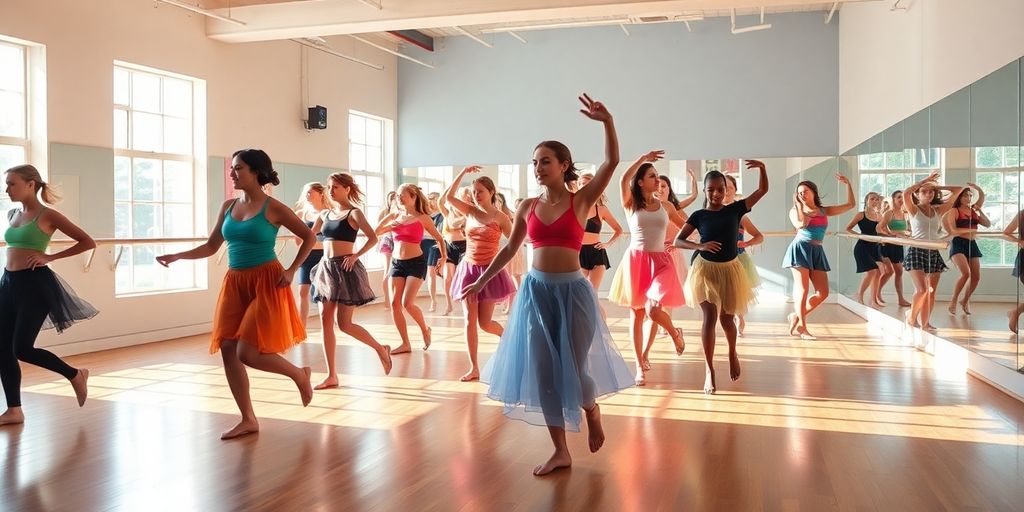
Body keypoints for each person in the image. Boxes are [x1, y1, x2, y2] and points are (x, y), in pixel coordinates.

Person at [461, 94, 632, 476]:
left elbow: (612, 163)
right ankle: (560, 450)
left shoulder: (582, 200)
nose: (538, 168)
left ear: (564, 165)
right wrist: (481, 282)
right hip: (536, 293)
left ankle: (592, 409)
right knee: (543, 371)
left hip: (573, 292)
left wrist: (607, 121)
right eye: (535, 162)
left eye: (545, 161)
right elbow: (509, 249)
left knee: (572, 367)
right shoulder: (526, 207)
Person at [156, 149, 316, 439]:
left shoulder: (273, 207)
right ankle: (248, 418)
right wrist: (178, 255)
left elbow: (309, 237)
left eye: (238, 168)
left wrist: (292, 269)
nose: (232, 173)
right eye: (232, 168)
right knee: (228, 349)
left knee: (248, 353)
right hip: (235, 283)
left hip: (266, 282)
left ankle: (298, 373)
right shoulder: (228, 206)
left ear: (256, 172)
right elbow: (210, 246)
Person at [0, 164, 96, 427]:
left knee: (21, 348)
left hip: (35, 286)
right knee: (2, 349)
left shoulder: (48, 215)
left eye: (12, 183)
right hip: (8, 283)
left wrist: (50, 256)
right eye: (7, 183)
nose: (7, 188)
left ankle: (75, 374)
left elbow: (87, 242)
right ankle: (14, 410)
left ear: (31, 184)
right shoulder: (12, 214)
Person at [673, 161, 768, 394]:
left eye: (720, 189)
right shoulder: (699, 214)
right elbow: (678, 241)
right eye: (711, 190)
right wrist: (701, 245)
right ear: (705, 191)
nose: (715, 193)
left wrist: (762, 168)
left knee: (727, 320)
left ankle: (732, 352)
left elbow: (762, 191)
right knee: (709, 317)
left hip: (730, 269)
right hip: (705, 270)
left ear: (726, 190)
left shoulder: (735, 209)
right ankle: (709, 369)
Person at [608, 151, 687, 386]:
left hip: (662, 262)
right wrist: (643, 158)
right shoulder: (631, 204)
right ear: (641, 181)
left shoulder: (667, 207)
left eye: (658, 177)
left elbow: (686, 227)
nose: (657, 180)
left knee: (653, 309)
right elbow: (623, 179)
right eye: (652, 176)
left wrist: (676, 243)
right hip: (636, 261)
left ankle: (674, 333)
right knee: (637, 314)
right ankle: (639, 365)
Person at [309, 172, 392, 390]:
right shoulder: (324, 214)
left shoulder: (354, 213)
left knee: (344, 324)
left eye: (335, 187)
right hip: (325, 269)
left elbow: (373, 237)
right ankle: (332, 375)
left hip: (345, 269)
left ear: (347, 189)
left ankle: (380, 348)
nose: (331, 190)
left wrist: (356, 255)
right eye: (329, 187)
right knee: (325, 320)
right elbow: (309, 236)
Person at [444, 167, 516, 381]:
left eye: (480, 191)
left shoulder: (501, 218)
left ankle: (506, 336)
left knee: (485, 324)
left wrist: (508, 267)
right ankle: (473, 367)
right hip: (468, 269)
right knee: (469, 319)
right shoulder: (469, 211)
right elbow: (448, 197)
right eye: (474, 191)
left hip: (490, 271)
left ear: (491, 192)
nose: (476, 195)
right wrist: (463, 173)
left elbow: (514, 243)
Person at [376, 183, 446, 354]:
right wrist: (390, 221)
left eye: (402, 195)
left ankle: (425, 329)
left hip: (416, 262)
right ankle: (405, 343)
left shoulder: (423, 218)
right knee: (394, 303)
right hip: (396, 263)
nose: (399, 198)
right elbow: (376, 231)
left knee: (407, 303)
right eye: (398, 195)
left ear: (413, 197)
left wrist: (443, 258)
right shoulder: (395, 216)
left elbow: (440, 239)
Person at [783, 174, 855, 340]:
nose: (802, 194)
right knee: (803, 289)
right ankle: (802, 327)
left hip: (816, 250)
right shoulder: (795, 211)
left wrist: (848, 184)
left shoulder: (824, 210)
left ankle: (796, 316)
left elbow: (851, 205)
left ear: (813, 192)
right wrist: (800, 206)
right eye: (799, 192)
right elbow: (801, 224)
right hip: (800, 248)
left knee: (823, 292)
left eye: (805, 191)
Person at [902, 173, 962, 331]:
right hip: (916, 251)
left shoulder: (938, 210)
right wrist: (924, 181)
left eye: (931, 192)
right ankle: (911, 318)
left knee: (931, 292)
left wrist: (936, 186)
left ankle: (925, 323)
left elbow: (958, 190)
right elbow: (906, 193)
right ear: (918, 194)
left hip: (933, 252)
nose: (928, 194)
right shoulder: (913, 209)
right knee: (921, 290)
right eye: (924, 192)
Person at [724, 174, 763, 336]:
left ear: (735, 191)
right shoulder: (709, 212)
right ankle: (731, 317)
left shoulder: (740, 215)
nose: (726, 192)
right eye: (723, 187)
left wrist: (746, 243)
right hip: (719, 260)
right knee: (724, 294)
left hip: (738, 259)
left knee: (734, 292)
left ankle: (738, 316)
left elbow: (759, 236)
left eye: (730, 188)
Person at [944, 184, 989, 315]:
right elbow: (954, 230)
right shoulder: (954, 211)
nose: (968, 198)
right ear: (960, 197)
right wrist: (970, 229)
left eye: (970, 195)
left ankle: (964, 301)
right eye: (965, 195)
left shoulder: (974, 211)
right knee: (966, 273)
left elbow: (987, 224)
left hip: (972, 243)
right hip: (958, 243)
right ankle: (953, 300)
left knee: (976, 277)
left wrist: (980, 211)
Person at [578, 172, 624, 293]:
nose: (585, 187)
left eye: (589, 184)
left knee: (592, 293)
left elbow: (619, 230)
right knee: (581, 293)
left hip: (596, 253)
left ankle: (595, 312)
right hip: (578, 253)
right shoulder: (573, 208)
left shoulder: (601, 210)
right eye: (582, 184)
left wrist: (607, 244)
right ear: (578, 187)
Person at [293, 182, 328, 326]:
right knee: (302, 291)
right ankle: (302, 327)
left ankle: (326, 321)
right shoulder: (301, 214)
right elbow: (297, 239)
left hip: (324, 256)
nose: (308, 195)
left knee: (322, 292)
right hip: (306, 255)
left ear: (321, 194)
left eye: (311, 193)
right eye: (306, 193)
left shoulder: (328, 212)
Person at [845, 192, 889, 308]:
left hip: (875, 247)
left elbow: (881, 231)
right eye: (872, 199)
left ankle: (873, 300)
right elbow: (848, 228)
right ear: (866, 201)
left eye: (877, 199)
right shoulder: (861, 215)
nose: (875, 201)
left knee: (880, 271)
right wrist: (860, 236)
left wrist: (885, 238)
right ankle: (859, 295)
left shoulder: (879, 216)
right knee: (872, 272)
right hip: (862, 247)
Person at [437, 188, 469, 316]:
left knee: (461, 277)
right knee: (447, 278)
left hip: (464, 246)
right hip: (449, 246)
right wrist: (450, 187)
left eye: (468, 196)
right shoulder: (448, 213)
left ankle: (465, 302)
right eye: (464, 196)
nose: (466, 198)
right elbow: (440, 202)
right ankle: (449, 306)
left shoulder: (468, 212)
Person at [878, 191, 913, 307]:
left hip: (898, 246)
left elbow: (907, 230)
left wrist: (907, 234)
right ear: (893, 199)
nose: (901, 199)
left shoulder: (905, 214)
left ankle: (901, 299)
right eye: (899, 197)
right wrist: (892, 234)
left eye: (903, 197)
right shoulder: (889, 213)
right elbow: (880, 228)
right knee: (890, 271)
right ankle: (877, 293)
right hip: (888, 245)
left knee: (899, 272)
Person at [377, 192, 398, 310]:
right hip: (388, 240)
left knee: (390, 270)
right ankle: (387, 300)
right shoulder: (386, 213)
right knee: (388, 270)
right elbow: (378, 227)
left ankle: (389, 300)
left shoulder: (393, 212)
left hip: (392, 240)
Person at [423, 192, 444, 312]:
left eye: (437, 199)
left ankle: (433, 300)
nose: (435, 202)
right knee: (425, 272)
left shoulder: (441, 215)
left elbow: (440, 233)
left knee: (432, 272)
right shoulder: (423, 214)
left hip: (434, 244)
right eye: (433, 199)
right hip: (422, 243)